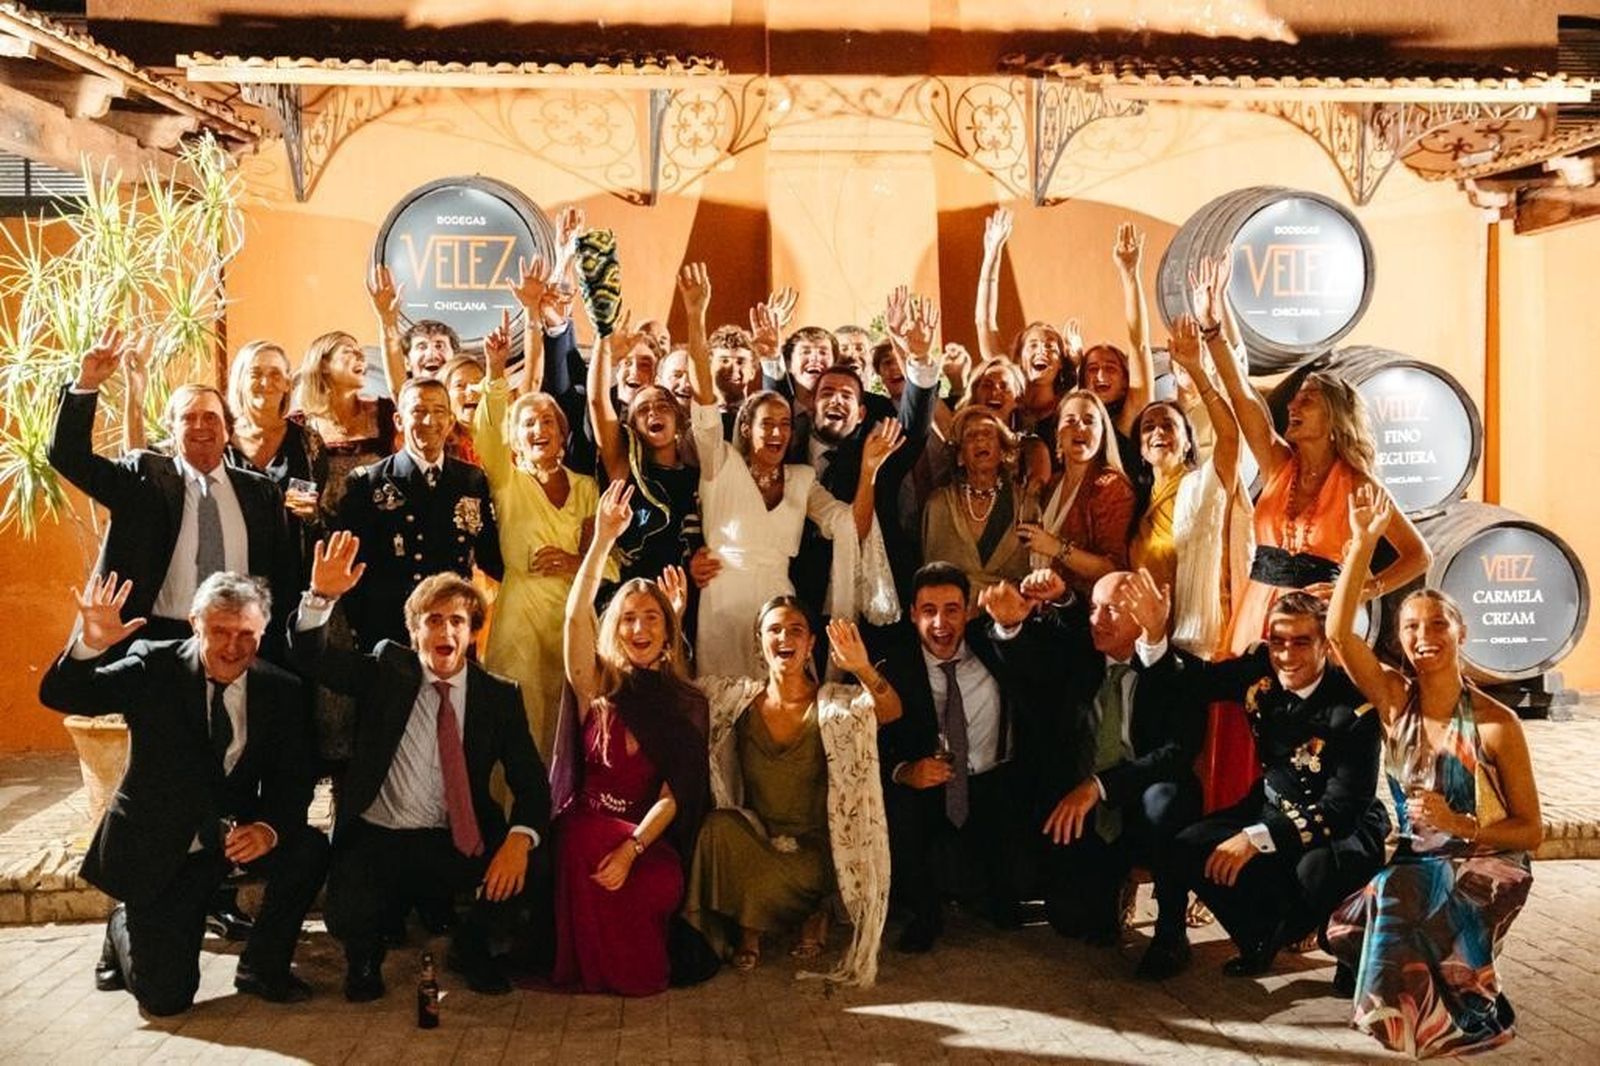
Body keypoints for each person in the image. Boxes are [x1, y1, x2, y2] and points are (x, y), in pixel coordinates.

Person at [38, 571, 328, 1014]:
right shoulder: (152, 665)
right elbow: (64, 694)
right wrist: (90, 645)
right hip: (164, 846)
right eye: (219, 632)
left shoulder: (280, 688)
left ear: (263, 631)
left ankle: (262, 966)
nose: (233, 646)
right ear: (195, 622)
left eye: (246, 634)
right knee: (166, 999)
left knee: (307, 847)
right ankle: (122, 925)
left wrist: (268, 828)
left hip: (231, 840)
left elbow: (295, 776)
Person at [1323, 489, 1541, 1058]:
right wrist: (1364, 545)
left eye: (1438, 624)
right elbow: (1339, 634)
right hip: (1420, 858)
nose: (1425, 638)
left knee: (1399, 895)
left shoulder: (1496, 724)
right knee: (1345, 928)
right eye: (1412, 628)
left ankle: (1402, 1026)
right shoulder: (1396, 701)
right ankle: (1463, 1001)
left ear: (1461, 633)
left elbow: (1530, 833)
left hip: (1487, 860)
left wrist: (1460, 822)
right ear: (1399, 640)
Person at [292, 533, 551, 1000]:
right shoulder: (388, 670)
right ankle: (364, 958)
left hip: (453, 835)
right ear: (415, 632)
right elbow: (312, 658)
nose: (445, 632)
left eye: (457, 621)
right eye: (433, 620)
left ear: (473, 632)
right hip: (379, 834)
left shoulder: (498, 696)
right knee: (348, 909)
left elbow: (531, 782)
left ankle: (473, 948)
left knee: (535, 858)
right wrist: (321, 597)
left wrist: (518, 839)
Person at [1133, 581, 1389, 981]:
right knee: (1186, 847)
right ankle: (1258, 936)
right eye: (1278, 641)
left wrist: (1256, 838)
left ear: (1326, 645)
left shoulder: (1354, 710)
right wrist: (1154, 636)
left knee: (1316, 870)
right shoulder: (1259, 671)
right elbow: (1192, 682)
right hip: (1271, 804)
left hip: (1341, 826)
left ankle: (1346, 943)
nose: (1286, 655)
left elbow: (1342, 811)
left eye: (1301, 642)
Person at [1194, 255, 1429, 657]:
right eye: (1294, 399)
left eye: (1307, 400)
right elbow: (1243, 397)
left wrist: (1361, 589)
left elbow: (1418, 555)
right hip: (1256, 613)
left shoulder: (1357, 483)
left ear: (1336, 418)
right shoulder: (1277, 463)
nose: (1292, 407)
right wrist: (1212, 330)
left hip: (1317, 621)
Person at [680, 263, 902, 678]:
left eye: (785, 424)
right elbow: (703, 399)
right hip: (722, 603)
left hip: (781, 612)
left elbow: (852, 527)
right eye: (768, 423)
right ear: (746, 428)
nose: (778, 432)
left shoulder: (803, 479)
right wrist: (695, 316)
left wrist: (869, 470)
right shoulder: (720, 462)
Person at [549, 482, 709, 996]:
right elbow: (575, 617)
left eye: (652, 617)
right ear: (614, 629)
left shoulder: (688, 702)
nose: (639, 628)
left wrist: (633, 849)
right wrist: (601, 541)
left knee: (661, 883)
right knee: (586, 842)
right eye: (628, 619)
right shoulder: (597, 684)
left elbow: (674, 798)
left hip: (643, 835)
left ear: (668, 629)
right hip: (588, 826)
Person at [691, 598, 898, 984]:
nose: (784, 637)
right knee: (714, 830)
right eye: (774, 630)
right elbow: (681, 694)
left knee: (783, 872)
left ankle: (760, 926)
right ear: (759, 641)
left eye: (795, 630)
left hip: (813, 850)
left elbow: (889, 711)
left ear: (811, 644)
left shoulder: (835, 702)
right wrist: (672, 616)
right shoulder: (737, 700)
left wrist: (863, 669)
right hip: (757, 838)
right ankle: (795, 917)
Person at [49, 329, 296, 650]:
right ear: (171, 429)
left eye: (210, 417)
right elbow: (69, 457)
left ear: (227, 430)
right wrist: (87, 384)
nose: (200, 426)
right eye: (188, 418)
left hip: (239, 643)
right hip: (156, 643)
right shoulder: (144, 478)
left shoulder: (260, 492)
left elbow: (281, 577)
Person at [871, 563, 1065, 953]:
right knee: (901, 810)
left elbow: (1039, 669)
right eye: (928, 611)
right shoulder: (893, 664)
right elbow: (874, 738)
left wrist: (1012, 625)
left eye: (952, 609)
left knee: (1014, 895)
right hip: (929, 781)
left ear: (969, 611)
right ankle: (924, 915)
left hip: (994, 780)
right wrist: (904, 770)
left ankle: (997, 898)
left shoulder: (991, 642)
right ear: (912, 614)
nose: (940, 623)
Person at [1024, 569, 1204, 953]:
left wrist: (1100, 785)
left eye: (1113, 610)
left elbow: (1176, 751)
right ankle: (1107, 892)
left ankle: (1171, 931)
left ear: (1145, 615)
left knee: (1167, 800)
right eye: (1094, 608)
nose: (1097, 620)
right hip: (1086, 813)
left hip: (1142, 801)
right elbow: (1053, 631)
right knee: (1071, 921)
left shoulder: (1177, 670)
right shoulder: (1080, 654)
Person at [474, 316, 607, 759]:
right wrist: (494, 373)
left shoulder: (587, 487)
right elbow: (487, 434)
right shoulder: (507, 482)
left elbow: (605, 553)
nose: (539, 429)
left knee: (572, 721)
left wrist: (575, 564)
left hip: (574, 614)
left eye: (548, 421)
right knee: (518, 723)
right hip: (520, 619)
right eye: (528, 423)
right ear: (515, 437)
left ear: (563, 433)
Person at [336, 377, 503, 651]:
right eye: (419, 411)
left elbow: (491, 556)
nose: (429, 421)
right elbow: (354, 573)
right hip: (392, 635)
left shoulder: (471, 480)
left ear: (450, 421)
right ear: (399, 421)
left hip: (453, 634)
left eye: (439, 412)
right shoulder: (368, 483)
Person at [1128, 315, 1245, 658]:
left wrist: (1197, 371)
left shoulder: (1203, 484)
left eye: (1168, 425)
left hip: (1199, 642)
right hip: (1149, 641)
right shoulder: (1139, 501)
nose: (1158, 432)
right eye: (1148, 427)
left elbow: (1230, 437)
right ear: (1140, 448)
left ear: (1188, 443)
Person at [586, 316, 703, 589]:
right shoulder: (625, 468)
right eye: (642, 410)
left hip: (683, 600)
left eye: (662, 405)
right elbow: (597, 400)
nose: (652, 411)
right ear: (633, 426)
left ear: (678, 419)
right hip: (628, 597)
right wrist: (604, 341)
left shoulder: (696, 476)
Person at [1017, 389, 1136, 599]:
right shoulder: (1052, 483)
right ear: (1058, 435)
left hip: (1081, 610)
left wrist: (1056, 547)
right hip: (1038, 604)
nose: (1080, 427)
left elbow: (1113, 569)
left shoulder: (1111, 486)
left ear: (1103, 435)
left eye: (1089, 421)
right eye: (1070, 420)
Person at [920, 407, 1036, 598]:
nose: (980, 440)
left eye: (988, 434)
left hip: (1009, 615)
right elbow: (929, 578)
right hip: (954, 617)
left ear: (1002, 451)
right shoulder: (939, 504)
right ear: (959, 457)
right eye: (971, 436)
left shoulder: (1026, 503)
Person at [1080, 222, 1157, 475]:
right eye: (1092, 369)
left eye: (1110, 368)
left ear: (1126, 380)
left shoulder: (1128, 419)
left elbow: (1139, 343)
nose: (1100, 375)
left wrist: (1129, 275)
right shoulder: (1071, 421)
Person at [439, 353, 485, 465]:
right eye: (459, 385)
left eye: (477, 384)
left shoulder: (508, 436)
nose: (471, 391)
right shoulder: (437, 446)